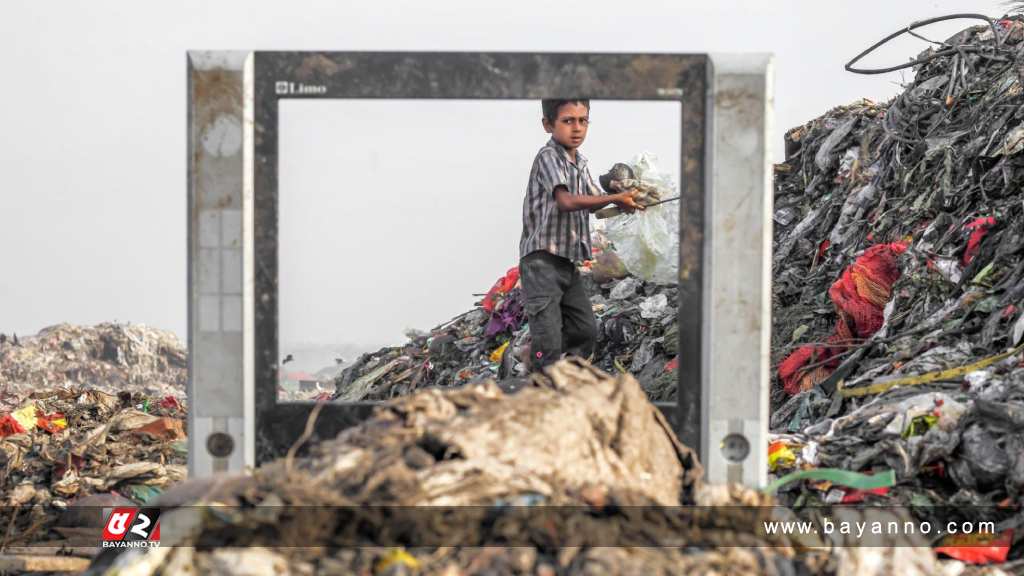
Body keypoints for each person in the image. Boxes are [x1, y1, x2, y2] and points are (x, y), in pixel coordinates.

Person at [519, 99, 644, 372]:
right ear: (548, 125)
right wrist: (615, 197)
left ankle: (540, 358)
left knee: (585, 331)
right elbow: (565, 201)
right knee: (548, 340)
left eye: (583, 120)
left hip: (566, 262)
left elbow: (595, 199)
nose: (576, 128)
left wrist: (622, 201)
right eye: (568, 121)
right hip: (541, 262)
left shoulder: (581, 162)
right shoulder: (548, 157)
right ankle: (542, 379)